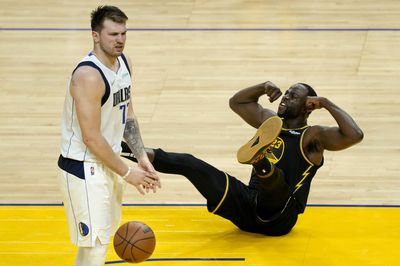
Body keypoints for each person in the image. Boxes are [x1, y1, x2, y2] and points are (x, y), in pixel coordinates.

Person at [121, 81, 363, 236]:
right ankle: (122, 149)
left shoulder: (313, 137)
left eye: (293, 96)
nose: (285, 98)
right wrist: (262, 87)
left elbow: (355, 135)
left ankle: (259, 161)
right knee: (189, 163)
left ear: (307, 107)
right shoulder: (270, 122)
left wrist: (326, 103)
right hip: (247, 207)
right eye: (285, 94)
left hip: (280, 216)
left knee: (274, 179)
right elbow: (237, 102)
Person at [57, 5, 160, 266]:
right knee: (96, 247)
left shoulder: (124, 63)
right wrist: (128, 173)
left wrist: (141, 158)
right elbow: (91, 138)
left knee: (97, 243)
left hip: (108, 164)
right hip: (84, 167)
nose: (120, 40)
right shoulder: (88, 76)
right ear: (95, 35)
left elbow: (128, 115)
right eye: (113, 34)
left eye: (124, 33)